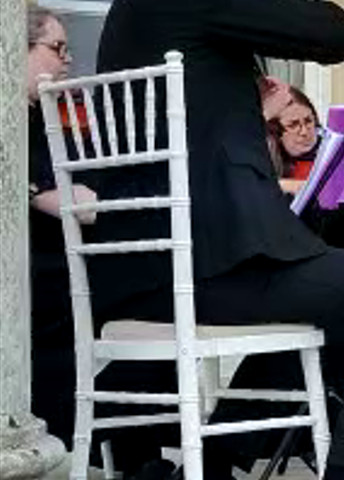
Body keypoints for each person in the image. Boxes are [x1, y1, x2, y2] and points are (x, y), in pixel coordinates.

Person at [92, 2, 344, 480]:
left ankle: (212, 463)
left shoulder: (133, 14)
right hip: (207, 266)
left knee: (325, 306)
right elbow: (337, 33)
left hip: (139, 270)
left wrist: (252, 109)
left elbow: (193, 123)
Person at [26, 6, 178, 480]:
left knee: (159, 293)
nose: (68, 61)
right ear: (15, 53)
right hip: (40, 289)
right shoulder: (18, 127)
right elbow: (75, 205)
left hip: (63, 276)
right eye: (57, 48)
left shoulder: (39, 123)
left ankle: (144, 459)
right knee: (154, 296)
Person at [261, 78, 344, 251]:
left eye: (308, 121)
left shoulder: (334, 164)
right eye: (293, 125)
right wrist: (288, 185)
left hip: (340, 261)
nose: (304, 132)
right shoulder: (263, 169)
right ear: (274, 132)